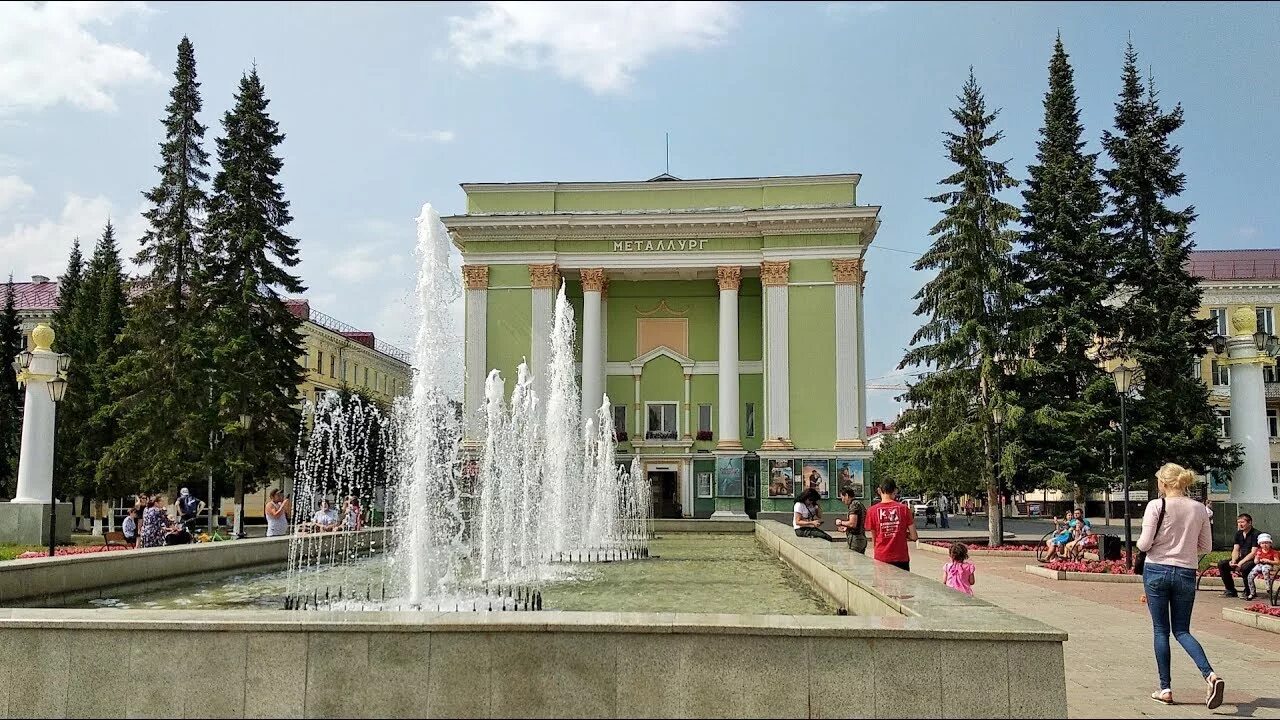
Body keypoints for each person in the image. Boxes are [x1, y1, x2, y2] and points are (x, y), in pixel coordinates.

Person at [1137, 463, 1224, 709]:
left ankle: (1165, 688)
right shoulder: (1199, 509)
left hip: (1156, 570)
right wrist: (1184, 548)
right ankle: (1210, 675)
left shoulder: (1156, 505)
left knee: (1160, 631)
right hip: (1186, 572)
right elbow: (1207, 547)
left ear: (1164, 483)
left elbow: (1143, 544)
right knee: (1182, 631)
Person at [864, 478, 916, 571]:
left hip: (881, 557)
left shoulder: (871, 511)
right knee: (903, 584)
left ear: (879, 491)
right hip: (901, 558)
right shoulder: (904, 509)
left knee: (882, 585)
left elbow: (874, 538)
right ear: (895, 490)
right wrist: (901, 533)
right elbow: (914, 536)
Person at [1217, 513, 1261, 599]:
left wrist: (1240, 563)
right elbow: (1236, 549)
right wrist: (1233, 561)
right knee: (1222, 564)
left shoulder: (1256, 534)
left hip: (1254, 559)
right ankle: (1230, 590)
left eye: (1242, 522)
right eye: (1238, 522)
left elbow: (1253, 553)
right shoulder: (1238, 534)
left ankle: (1249, 591)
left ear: (1250, 523)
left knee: (1245, 567)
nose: (1240, 524)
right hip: (1242, 558)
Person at [1244, 533, 1276, 601]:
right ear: (1260, 544)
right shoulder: (1259, 551)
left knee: (1264, 569)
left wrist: (1268, 561)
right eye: (1262, 543)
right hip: (1260, 565)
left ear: (1270, 543)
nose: (1264, 545)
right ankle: (1252, 592)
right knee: (1250, 575)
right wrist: (1258, 558)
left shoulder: (1273, 552)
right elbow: (1256, 562)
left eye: (1266, 543)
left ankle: (1268, 587)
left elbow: (1277, 562)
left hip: (1269, 565)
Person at [835, 486, 866, 554]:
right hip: (860, 538)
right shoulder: (859, 504)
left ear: (846, 495)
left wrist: (840, 522)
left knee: (853, 561)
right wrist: (846, 528)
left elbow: (852, 524)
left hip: (855, 539)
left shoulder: (854, 505)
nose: (842, 500)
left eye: (842, 497)